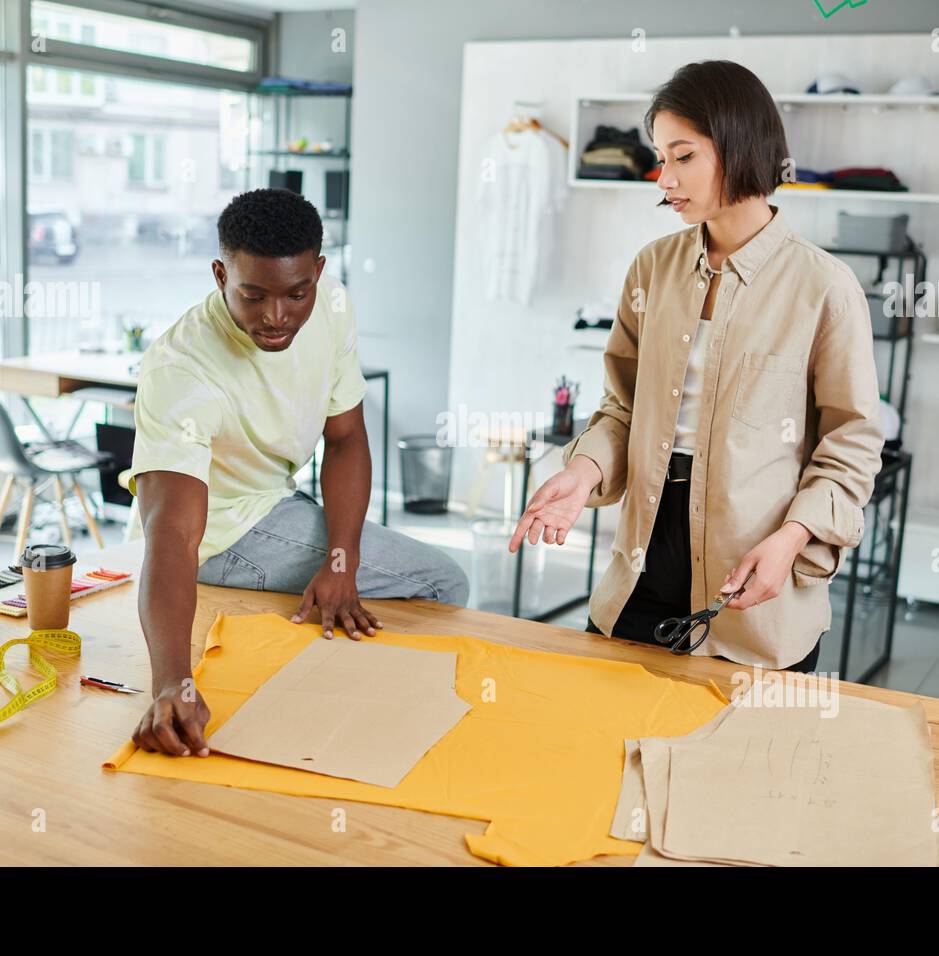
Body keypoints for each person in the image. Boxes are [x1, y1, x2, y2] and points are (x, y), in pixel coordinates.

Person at [509, 60, 883, 673]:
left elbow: (851, 446)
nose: (664, 177)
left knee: (735, 762)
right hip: (640, 564)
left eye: (683, 157)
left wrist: (792, 542)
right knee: (607, 747)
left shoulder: (825, 288)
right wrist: (581, 473)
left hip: (756, 578)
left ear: (738, 145)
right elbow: (622, 407)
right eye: (661, 158)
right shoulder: (652, 269)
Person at [129, 188, 469, 756]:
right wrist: (172, 682)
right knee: (443, 583)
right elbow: (172, 533)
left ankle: (363, 725)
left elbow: (345, 438)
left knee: (392, 581)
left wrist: (343, 559)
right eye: (253, 295)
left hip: (280, 502)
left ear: (319, 272)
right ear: (219, 275)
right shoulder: (181, 370)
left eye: (296, 293)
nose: (276, 317)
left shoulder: (332, 305)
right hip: (222, 532)